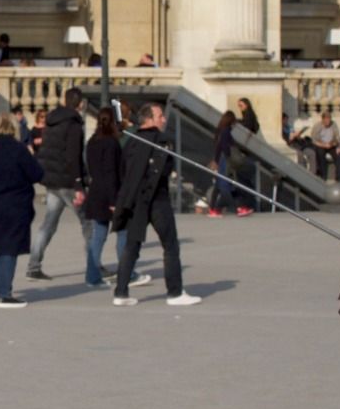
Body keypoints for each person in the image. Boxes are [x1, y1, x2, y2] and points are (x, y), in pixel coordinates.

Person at [113, 101, 199, 307]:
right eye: (160, 116)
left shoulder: (130, 142)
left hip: (135, 200)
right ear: (149, 119)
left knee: (131, 247)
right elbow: (162, 169)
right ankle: (175, 293)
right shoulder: (160, 141)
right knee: (170, 246)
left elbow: (124, 170)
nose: (164, 119)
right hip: (156, 199)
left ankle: (121, 292)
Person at [0, 112, 42, 308]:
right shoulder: (18, 149)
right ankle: (5, 293)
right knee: (8, 248)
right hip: (14, 203)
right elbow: (36, 173)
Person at [25, 88, 88, 278]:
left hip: (52, 180)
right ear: (80, 104)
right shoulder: (74, 125)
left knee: (48, 224)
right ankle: (94, 265)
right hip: (67, 181)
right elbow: (73, 156)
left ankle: (33, 266)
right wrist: (79, 184)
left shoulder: (52, 122)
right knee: (89, 223)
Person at [81, 107, 127, 287]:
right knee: (123, 232)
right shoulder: (111, 143)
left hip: (96, 192)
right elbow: (111, 172)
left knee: (98, 235)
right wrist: (114, 200)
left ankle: (92, 276)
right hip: (110, 193)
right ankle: (126, 273)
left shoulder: (92, 141)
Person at [208, 109, 251, 217]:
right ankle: (237, 208)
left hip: (221, 159)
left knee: (219, 186)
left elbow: (218, 147)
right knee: (225, 186)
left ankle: (214, 209)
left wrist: (216, 160)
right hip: (225, 160)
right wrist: (226, 158)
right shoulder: (226, 131)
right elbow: (222, 147)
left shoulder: (220, 130)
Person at [310, 110, 340, 183]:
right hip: (321, 144)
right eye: (326, 119)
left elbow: (337, 138)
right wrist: (323, 145)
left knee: (339, 156)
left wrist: (337, 146)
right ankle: (323, 176)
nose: (327, 121)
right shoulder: (317, 126)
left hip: (331, 144)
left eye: (329, 119)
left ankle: (339, 178)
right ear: (322, 119)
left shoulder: (334, 125)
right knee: (320, 153)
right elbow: (314, 140)